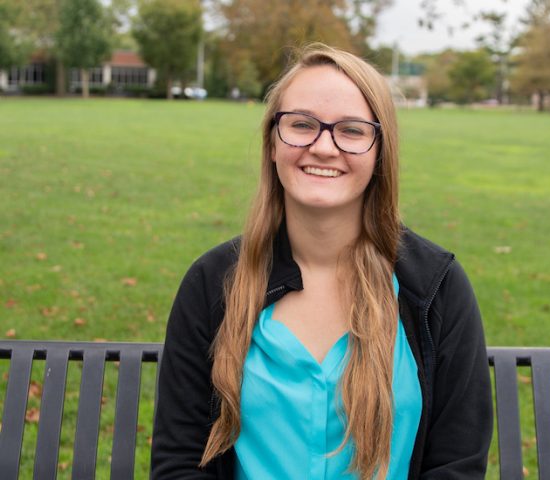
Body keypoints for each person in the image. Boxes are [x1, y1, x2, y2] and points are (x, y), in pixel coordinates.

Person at [151, 44, 492, 479]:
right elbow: (180, 463)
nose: (323, 147)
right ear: (272, 144)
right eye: (301, 125)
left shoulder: (434, 287)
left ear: (380, 153)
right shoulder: (213, 282)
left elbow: (457, 465)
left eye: (351, 130)